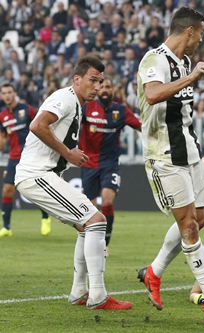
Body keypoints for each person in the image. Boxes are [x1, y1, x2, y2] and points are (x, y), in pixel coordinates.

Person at [14, 55, 132, 310]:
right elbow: (37, 125)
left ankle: (79, 292)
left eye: (100, 82)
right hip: (36, 175)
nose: (97, 87)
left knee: (85, 227)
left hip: (44, 176)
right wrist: (68, 153)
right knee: (97, 221)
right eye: (92, 80)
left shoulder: (77, 104)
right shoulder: (66, 97)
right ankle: (98, 296)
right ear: (76, 79)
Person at [136, 7, 204, 325]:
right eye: (200, 33)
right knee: (188, 226)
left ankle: (153, 273)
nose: (201, 40)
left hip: (190, 152)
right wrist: (192, 77)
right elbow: (154, 93)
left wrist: (189, 73)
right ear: (189, 31)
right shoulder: (154, 60)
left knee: (197, 220)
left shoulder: (184, 61)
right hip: (164, 156)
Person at [79, 78, 141, 254]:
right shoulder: (86, 108)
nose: (105, 90)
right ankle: (91, 242)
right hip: (89, 164)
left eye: (108, 86)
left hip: (110, 164)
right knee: (90, 208)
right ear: (97, 89)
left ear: (112, 89)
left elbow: (140, 126)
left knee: (107, 200)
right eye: (102, 87)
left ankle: (105, 243)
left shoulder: (120, 111)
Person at [0, 84, 51, 237]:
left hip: (31, 157)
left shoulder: (27, 110)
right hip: (14, 158)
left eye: (10, 92)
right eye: (4, 93)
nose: (7, 95)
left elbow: (40, 126)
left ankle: (45, 217)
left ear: (15, 93)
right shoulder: (2, 116)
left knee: (36, 191)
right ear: (2, 96)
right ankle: (7, 227)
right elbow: (2, 137)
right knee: (7, 190)